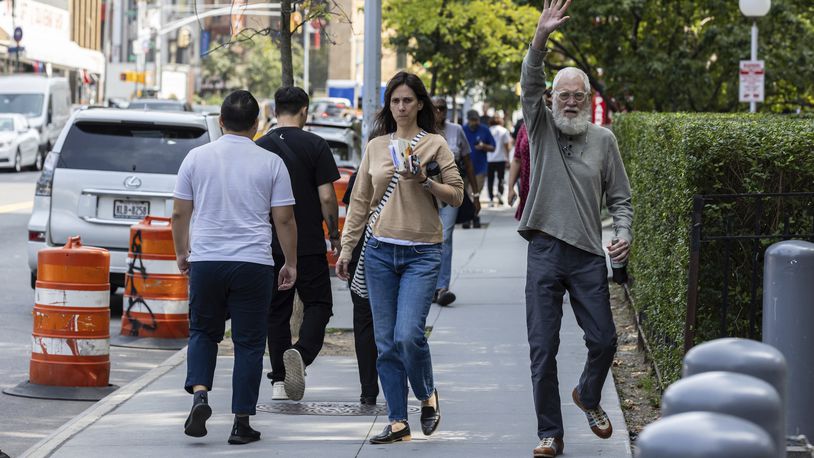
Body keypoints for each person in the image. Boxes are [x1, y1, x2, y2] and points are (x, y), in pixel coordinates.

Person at [520, 1, 634, 457]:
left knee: (604, 340)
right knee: (543, 350)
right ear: (551, 99)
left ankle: (588, 394)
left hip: (588, 254)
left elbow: (620, 198)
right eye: (562, 94)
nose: (569, 101)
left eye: (577, 96)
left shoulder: (604, 141)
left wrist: (622, 231)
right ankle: (550, 434)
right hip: (545, 250)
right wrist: (540, 38)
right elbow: (530, 80)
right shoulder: (541, 126)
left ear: (588, 101)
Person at [336, 71, 464, 444]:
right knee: (386, 341)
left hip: (422, 253)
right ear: (388, 106)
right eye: (395, 100)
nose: (401, 106)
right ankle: (396, 420)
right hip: (378, 252)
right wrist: (347, 248)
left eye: (408, 100)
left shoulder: (435, 144)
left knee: (409, 335)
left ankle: (426, 394)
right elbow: (360, 201)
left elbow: (456, 195)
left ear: (420, 104)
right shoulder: (376, 147)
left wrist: (425, 181)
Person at [172, 90, 297, 445]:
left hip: (207, 259)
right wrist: (290, 262)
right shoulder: (271, 162)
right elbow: (284, 220)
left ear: (220, 121)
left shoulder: (196, 158)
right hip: (253, 263)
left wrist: (183, 252)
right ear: (257, 125)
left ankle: (200, 395)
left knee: (203, 332)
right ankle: (241, 422)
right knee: (249, 343)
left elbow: (180, 213)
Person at [256, 86, 340, 402]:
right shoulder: (316, 145)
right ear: (304, 110)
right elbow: (327, 196)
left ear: (276, 110)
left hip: (269, 243)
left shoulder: (260, 146)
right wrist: (334, 234)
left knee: (276, 311)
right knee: (319, 305)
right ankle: (301, 355)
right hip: (307, 244)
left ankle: (279, 380)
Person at [431, 96, 480, 306]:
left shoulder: (456, 130)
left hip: (451, 191)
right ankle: (428, 285)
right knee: (429, 238)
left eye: (443, 109)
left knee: (445, 236)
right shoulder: (421, 131)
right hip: (427, 192)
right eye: (435, 109)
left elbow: (468, 164)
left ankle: (442, 287)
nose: (439, 113)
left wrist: (475, 195)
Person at [341, 171, 380, 405]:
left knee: (364, 322)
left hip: (361, 253)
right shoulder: (407, 167)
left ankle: (368, 390)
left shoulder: (361, 173)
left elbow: (352, 216)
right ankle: (397, 386)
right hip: (394, 251)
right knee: (392, 322)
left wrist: (346, 248)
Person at [462, 109, 495, 228]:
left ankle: (473, 216)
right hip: (464, 169)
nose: (475, 122)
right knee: (465, 195)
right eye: (472, 120)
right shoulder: (462, 130)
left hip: (480, 168)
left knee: (474, 193)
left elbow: (493, 147)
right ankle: (469, 217)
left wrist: (484, 146)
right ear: (468, 120)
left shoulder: (484, 130)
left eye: (477, 120)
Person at [486, 114, 513, 206]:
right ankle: (500, 194)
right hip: (501, 158)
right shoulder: (504, 131)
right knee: (501, 178)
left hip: (489, 159)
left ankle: (490, 199)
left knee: (490, 179)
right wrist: (508, 159)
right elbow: (507, 146)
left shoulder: (488, 130)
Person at [507, 122, 530, 220]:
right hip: (527, 191)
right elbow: (517, 159)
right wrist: (510, 188)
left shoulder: (559, 123)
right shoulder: (524, 126)